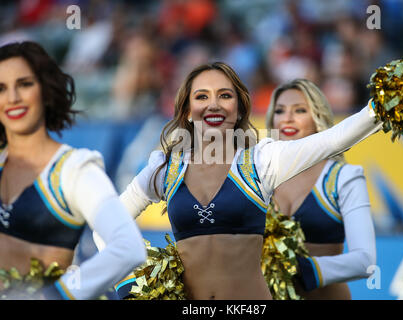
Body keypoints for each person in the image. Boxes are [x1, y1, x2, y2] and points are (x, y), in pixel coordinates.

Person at [114, 61, 382, 300]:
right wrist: (127, 280)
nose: (214, 104)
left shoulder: (262, 160)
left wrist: (383, 104)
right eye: (202, 96)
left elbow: (334, 139)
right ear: (186, 110)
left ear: (240, 109)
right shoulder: (164, 167)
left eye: (225, 95)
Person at [0, 41, 146, 300]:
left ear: (45, 90)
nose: (12, 98)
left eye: (24, 84)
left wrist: (53, 295)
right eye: (1, 88)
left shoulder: (74, 169)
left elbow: (128, 248)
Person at [265, 78, 376, 299]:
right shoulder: (256, 177)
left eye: (299, 110)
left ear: (318, 118)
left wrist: (301, 269)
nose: (287, 118)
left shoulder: (343, 177)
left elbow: (365, 261)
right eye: (279, 111)